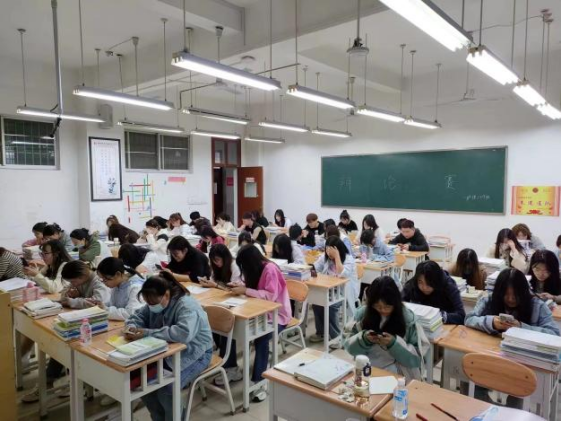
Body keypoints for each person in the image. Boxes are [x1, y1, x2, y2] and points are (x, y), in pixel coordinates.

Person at [126, 272, 213, 421]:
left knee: (167, 387)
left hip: (196, 352)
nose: (150, 306)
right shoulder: (155, 301)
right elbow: (138, 316)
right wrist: (131, 327)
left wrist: (146, 333)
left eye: (153, 303)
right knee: (143, 383)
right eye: (148, 303)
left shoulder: (187, 305)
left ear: (166, 294)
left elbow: (183, 334)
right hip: (167, 352)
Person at [217, 245, 291, 401]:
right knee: (227, 328)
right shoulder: (254, 269)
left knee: (262, 339)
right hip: (258, 312)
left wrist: (245, 290)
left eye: (244, 266)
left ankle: (259, 381)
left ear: (251, 262)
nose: (244, 269)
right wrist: (241, 287)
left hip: (277, 315)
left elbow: (270, 296)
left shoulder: (270, 269)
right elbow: (251, 286)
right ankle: (231, 369)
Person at [344, 276, 423, 379]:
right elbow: (348, 346)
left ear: (396, 303)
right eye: (377, 306)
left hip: (398, 371)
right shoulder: (362, 315)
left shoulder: (407, 319)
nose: (382, 310)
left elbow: (417, 359)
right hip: (367, 368)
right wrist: (364, 339)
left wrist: (394, 344)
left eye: (387, 307)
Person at [466, 268, 559, 336]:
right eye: (506, 294)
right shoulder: (489, 299)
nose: (510, 299)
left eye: (515, 295)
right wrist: (491, 322)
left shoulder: (538, 306)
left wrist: (521, 327)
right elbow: (469, 319)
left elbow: (555, 333)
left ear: (523, 292)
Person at [310, 236, 359, 348]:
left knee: (331, 306)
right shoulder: (325, 257)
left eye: (331, 251)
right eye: (327, 250)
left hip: (343, 291)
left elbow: (343, 274)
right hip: (329, 289)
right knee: (317, 303)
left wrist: (336, 257)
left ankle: (336, 337)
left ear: (338, 250)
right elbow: (315, 267)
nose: (328, 253)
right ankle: (321, 332)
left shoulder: (348, 259)